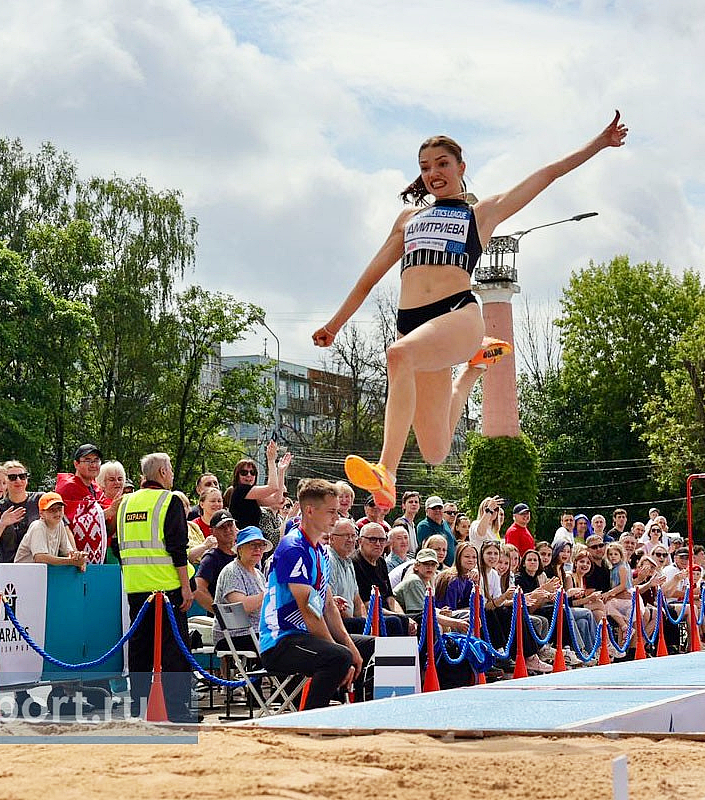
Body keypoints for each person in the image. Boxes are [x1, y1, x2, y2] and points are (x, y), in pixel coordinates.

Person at [323, 115, 629, 508]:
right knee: (434, 450)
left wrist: (598, 143)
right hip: (414, 325)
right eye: (425, 167)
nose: (433, 172)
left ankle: (386, 470)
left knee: (398, 356)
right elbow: (368, 279)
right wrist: (334, 325)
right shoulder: (408, 220)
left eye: (442, 164)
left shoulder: (480, 214)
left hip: (456, 313)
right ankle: (473, 369)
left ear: (460, 168)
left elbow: (547, 174)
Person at [258, 479, 372, 709]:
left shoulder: (320, 550)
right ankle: (310, 718)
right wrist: (344, 653)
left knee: (370, 646)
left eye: (337, 512)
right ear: (309, 511)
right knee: (338, 657)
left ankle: (358, 709)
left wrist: (350, 646)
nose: (336, 517)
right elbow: (310, 612)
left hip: (303, 636)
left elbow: (328, 605)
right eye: (331, 511)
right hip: (281, 641)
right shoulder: (293, 548)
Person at [119, 452, 195, 722]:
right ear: (162, 473)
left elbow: (120, 546)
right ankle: (176, 710)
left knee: (140, 651)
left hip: (137, 589)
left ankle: (139, 707)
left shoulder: (125, 503)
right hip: (166, 588)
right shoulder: (169, 500)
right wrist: (186, 587)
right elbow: (177, 548)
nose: (172, 474)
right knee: (174, 651)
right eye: (171, 469)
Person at [212, 526, 271, 650]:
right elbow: (242, 607)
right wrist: (269, 593)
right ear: (239, 549)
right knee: (280, 643)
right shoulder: (232, 571)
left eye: (261, 545)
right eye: (252, 545)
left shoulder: (259, 574)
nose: (258, 549)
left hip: (257, 633)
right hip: (235, 636)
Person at [56, 444, 108, 564]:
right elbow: (70, 520)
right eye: (88, 460)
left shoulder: (96, 488)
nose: (93, 465)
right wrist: (110, 511)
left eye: (96, 460)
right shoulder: (67, 487)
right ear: (76, 464)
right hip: (72, 557)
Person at [223, 441, 291, 530]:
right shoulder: (240, 490)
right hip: (243, 538)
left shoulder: (251, 494)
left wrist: (281, 471)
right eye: (244, 472)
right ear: (237, 475)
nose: (249, 475)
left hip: (252, 537)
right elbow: (273, 487)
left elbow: (277, 500)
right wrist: (271, 460)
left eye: (252, 472)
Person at [14, 492, 87, 569]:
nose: (57, 513)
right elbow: (40, 558)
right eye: (52, 510)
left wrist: (78, 557)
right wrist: (72, 561)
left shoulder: (60, 524)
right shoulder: (38, 526)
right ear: (41, 514)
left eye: (59, 509)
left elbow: (67, 552)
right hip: (21, 573)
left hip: (39, 573)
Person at [0, 461, 39, 563]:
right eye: (12, 477)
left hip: (37, 565)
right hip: (7, 567)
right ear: (5, 481)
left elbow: (63, 526)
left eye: (22, 476)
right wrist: (2, 524)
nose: (18, 480)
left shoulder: (40, 500)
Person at [193, 510, 238, 614]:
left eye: (230, 525)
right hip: (223, 624)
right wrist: (221, 614)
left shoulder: (243, 553)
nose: (227, 530)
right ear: (212, 531)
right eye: (222, 527)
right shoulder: (211, 558)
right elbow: (198, 589)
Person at [416, 495, 455, 567]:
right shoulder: (424, 526)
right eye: (434, 508)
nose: (437, 510)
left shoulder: (445, 523)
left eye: (440, 508)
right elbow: (427, 551)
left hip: (449, 569)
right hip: (435, 568)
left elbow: (454, 544)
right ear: (427, 510)